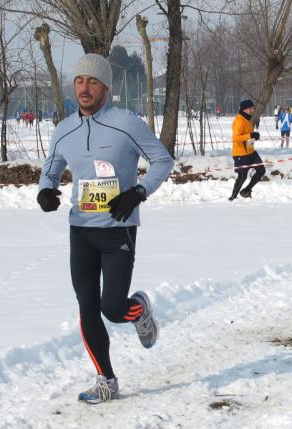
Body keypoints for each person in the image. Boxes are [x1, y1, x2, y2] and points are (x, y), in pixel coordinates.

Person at [37, 53, 174, 404]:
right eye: (80, 81)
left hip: (118, 230)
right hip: (81, 229)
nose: (84, 88)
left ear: (106, 88)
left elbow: (162, 160)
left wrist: (137, 192)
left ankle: (139, 310)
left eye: (92, 82)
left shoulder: (126, 123)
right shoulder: (64, 129)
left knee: (112, 309)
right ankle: (106, 379)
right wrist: (45, 191)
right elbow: (51, 169)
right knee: (86, 305)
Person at [229, 99, 265, 201]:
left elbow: (248, 137)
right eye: (250, 108)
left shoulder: (248, 120)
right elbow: (235, 138)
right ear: (244, 109)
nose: (252, 110)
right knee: (242, 176)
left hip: (251, 151)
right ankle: (233, 196)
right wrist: (250, 135)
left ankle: (246, 190)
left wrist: (254, 137)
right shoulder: (239, 121)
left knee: (261, 170)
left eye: (253, 108)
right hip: (240, 153)